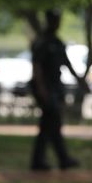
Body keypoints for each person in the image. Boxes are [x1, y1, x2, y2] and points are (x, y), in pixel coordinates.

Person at [29, 9, 81, 171]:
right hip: (47, 89)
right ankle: (58, 159)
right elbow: (36, 68)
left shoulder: (56, 42)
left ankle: (49, 159)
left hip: (55, 88)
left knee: (49, 126)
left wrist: (81, 81)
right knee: (51, 124)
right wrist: (42, 89)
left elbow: (66, 63)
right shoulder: (42, 42)